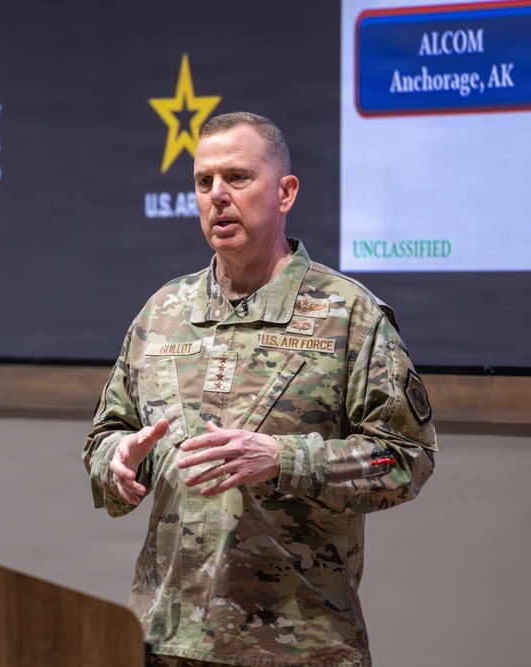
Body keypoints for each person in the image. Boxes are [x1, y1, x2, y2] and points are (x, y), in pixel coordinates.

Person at [83, 112, 436, 667]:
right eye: (204, 182)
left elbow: (405, 459)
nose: (218, 196)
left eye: (237, 178)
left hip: (299, 647)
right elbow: (105, 436)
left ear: (285, 192)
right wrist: (118, 462)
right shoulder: (163, 313)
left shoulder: (348, 315)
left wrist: (284, 459)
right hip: (166, 642)